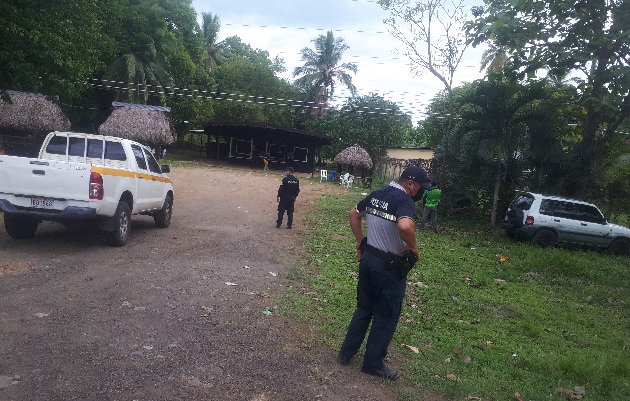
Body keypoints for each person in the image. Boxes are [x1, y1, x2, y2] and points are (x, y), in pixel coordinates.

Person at [338, 165, 432, 381]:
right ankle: (372, 364)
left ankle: (346, 353)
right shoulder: (404, 201)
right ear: (410, 183)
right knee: (386, 315)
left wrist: (360, 241)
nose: (419, 192)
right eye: (419, 188)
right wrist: (414, 247)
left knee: (363, 308)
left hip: (368, 259)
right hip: (389, 266)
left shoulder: (377, 194)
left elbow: (353, 214)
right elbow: (406, 227)